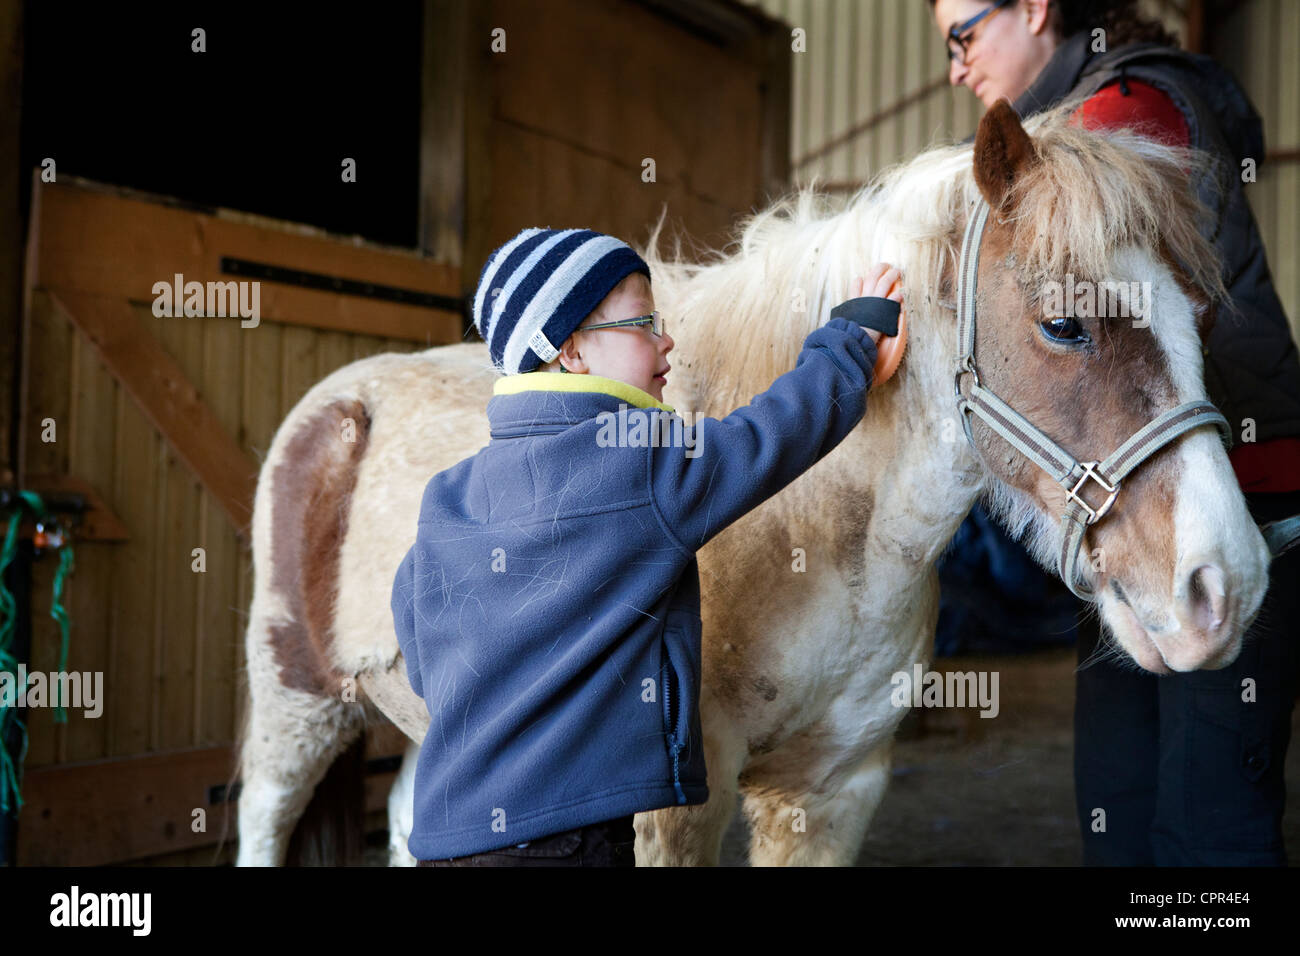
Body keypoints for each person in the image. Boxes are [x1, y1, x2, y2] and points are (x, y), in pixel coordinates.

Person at [391, 226, 902, 866]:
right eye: (644, 322)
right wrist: (848, 347)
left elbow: (420, 652)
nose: (668, 340)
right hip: (567, 839)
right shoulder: (634, 459)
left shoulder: (448, 494)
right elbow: (764, 439)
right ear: (570, 350)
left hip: (447, 837)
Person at [929, 0, 1300, 864]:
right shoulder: (1103, 105)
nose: (955, 66)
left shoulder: (1121, 110)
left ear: (1032, 8)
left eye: (963, 36)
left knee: (1201, 825)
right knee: (1126, 804)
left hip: (1218, 498)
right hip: (1146, 502)